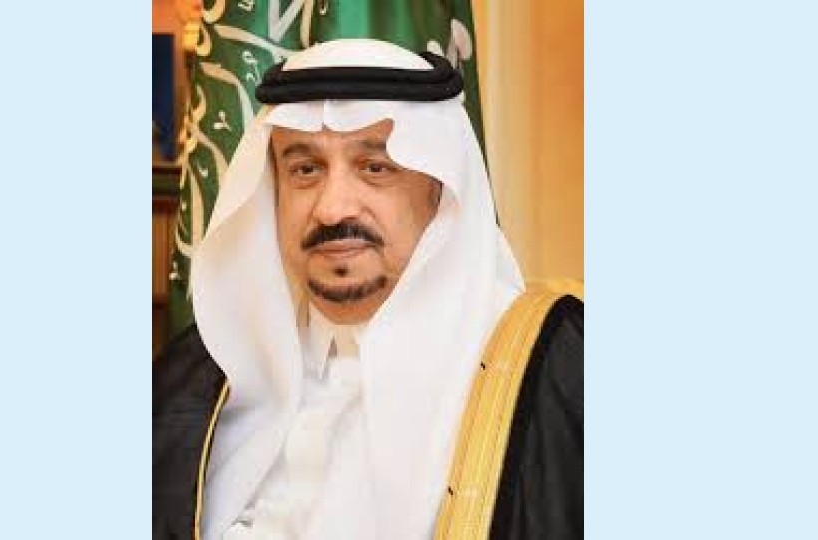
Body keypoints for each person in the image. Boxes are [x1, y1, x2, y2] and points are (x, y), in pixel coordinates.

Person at [154, 38, 582, 540]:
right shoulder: (200, 375)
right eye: (305, 170)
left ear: (439, 191)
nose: (333, 209)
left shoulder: (554, 370)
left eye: (376, 169)